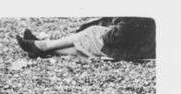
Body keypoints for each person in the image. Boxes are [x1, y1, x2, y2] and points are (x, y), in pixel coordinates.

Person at [16, 17, 155, 61]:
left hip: (135, 49)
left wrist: (105, 31)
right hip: (137, 46)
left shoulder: (136, 15)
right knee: (86, 36)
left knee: (90, 33)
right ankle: (41, 46)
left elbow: (116, 37)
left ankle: (42, 46)